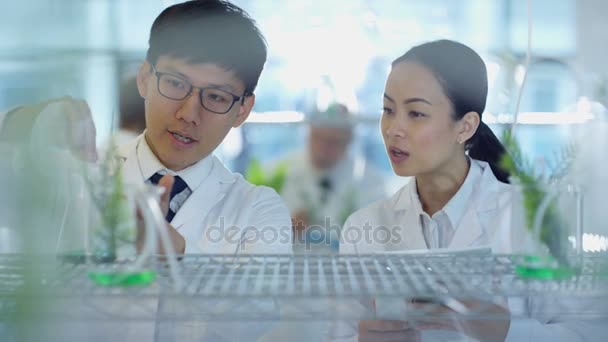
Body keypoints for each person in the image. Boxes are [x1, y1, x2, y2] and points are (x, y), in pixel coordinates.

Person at [335, 40, 605, 341]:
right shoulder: (364, 226)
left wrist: (507, 331)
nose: (392, 129)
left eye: (416, 114)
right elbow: (336, 334)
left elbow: (589, 332)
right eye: (388, 109)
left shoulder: (532, 220)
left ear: (465, 127)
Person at [112, 0, 292, 256]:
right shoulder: (85, 181)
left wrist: (179, 253)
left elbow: (261, 295)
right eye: (175, 83)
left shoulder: (259, 210)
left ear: (242, 110)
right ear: (144, 79)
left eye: (216, 97)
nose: (188, 114)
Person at [278, 103, 388, 253]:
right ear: (309, 133)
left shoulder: (370, 182)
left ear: (348, 142)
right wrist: (288, 227)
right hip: (293, 268)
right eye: (318, 138)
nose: (322, 148)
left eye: (333, 141)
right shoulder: (281, 170)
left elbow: (380, 238)